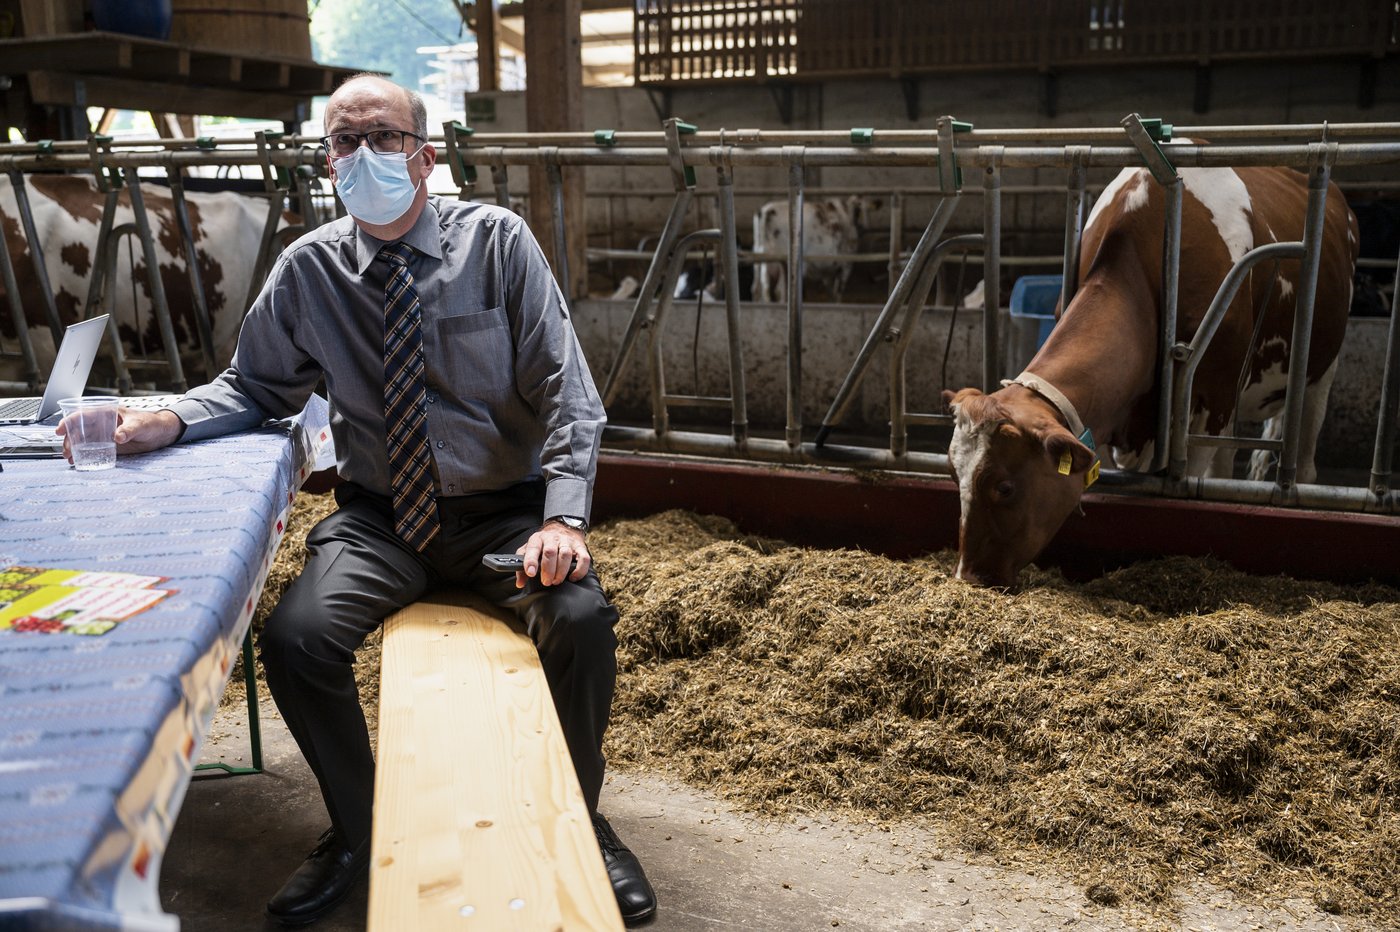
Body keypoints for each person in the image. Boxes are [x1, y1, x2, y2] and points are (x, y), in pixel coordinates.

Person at [69, 74, 657, 927]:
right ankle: (356, 828)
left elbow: (570, 395)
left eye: (382, 137)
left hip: (506, 515)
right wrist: (165, 418)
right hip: (381, 519)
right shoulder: (309, 270)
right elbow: (251, 387)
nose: (362, 155)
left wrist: (564, 519)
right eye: (344, 142)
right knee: (295, 639)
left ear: (424, 157)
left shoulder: (497, 243)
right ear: (328, 161)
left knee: (579, 621)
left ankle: (581, 819)